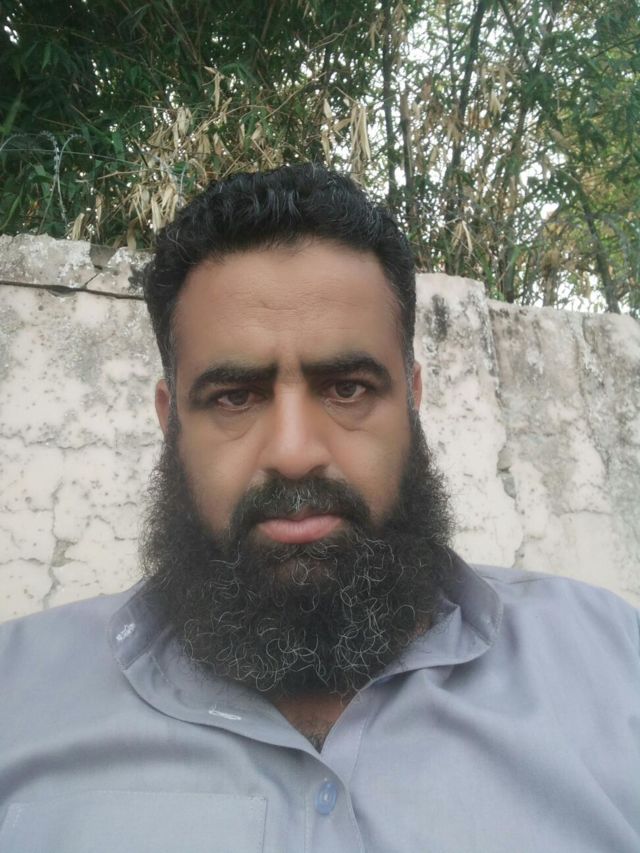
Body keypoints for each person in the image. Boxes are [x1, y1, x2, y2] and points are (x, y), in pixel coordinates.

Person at [0, 164, 638, 853]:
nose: (295, 452)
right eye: (234, 397)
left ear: (413, 399)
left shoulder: (611, 664)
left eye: (347, 388)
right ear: (170, 419)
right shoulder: (18, 697)